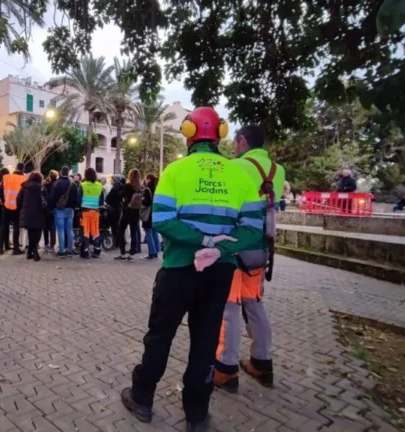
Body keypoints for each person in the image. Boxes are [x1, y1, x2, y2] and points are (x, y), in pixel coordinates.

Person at [121, 107, 266, 432]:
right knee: (204, 341)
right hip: (219, 275)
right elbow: (253, 228)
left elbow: (161, 221)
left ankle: (142, 398)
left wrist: (201, 239)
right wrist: (220, 247)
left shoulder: (175, 171)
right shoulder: (240, 176)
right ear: (221, 135)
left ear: (188, 134)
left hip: (177, 270)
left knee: (160, 336)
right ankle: (197, 414)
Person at [212, 125, 285, 395]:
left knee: (229, 307)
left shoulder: (235, 167)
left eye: (235, 141)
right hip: (261, 249)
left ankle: (225, 368)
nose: (233, 147)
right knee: (254, 303)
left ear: (243, 141)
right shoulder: (278, 171)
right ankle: (262, 362)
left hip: (235, 246)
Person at [17, 171, 47, 261]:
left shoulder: (24, 187)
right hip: (39, 213)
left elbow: (18, 200)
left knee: (30, 232)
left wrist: (23, 208)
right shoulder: (41, 188)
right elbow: (46, 200)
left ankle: (30, 252)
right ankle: (35, 251)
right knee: (37, 232)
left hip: (28, 213)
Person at [117, 169, 144, 261]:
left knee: (121, 230)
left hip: (127, 211)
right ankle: (132, 253)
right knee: (133, 232)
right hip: (136, 211)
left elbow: (120, 195)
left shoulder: (128, 186)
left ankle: (123, 252)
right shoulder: (140, 187)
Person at [50, 166, 78, 257]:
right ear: (68, 172)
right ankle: (70, 249)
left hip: (59, 209)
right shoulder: (73, 184)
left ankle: (61, 250)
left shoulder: (57, 183)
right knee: (69, 230)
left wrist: (52, 207)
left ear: (61, 172)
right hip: (70, 209)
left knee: (61, 230)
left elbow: (52, 197)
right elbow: (76, 198)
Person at [0, 162, 26, 255]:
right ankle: (16, 248)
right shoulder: (24, 179)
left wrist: (4, 201)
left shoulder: (6, 177)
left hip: (6, 206)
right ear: (23, 169)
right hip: (17, 207)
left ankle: (0, 248)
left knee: (3, 227)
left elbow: (0, 191)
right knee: (16, 228)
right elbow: (24, 195)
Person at [78, 167, 104, 258]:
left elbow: (79, 199)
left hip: (85, 211)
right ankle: (97, 250)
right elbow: (101, 200)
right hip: (95, 211)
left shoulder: (83, 185)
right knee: (95, 231)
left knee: (85, 231)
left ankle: (85, 252)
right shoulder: (99, 185)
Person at [142, 173, 159, 260]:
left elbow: (147, 202)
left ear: (148, 179)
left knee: (148, 232)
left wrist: (142, 200)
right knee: (154, 232)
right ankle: (156, 250)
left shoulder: (147, 189)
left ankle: (152, 253)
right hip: (154, 212)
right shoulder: (156, 188)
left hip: (148, 214)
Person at [105, 175, 124, 251]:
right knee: (115, 226)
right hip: (116, 209)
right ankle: (117, 242)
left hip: (114, 209)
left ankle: (116, 242)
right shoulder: (118, 187)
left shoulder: (115, 188)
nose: (111, 181)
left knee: (114, 227)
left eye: (112, 179)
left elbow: (110, 198)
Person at [43, 170, 58, 253]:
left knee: (45, 227)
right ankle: (52, 245)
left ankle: (46, 243)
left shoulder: (46, 185)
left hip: (46, 208)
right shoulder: (57, 185)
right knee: (53, 228)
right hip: (54, 208)